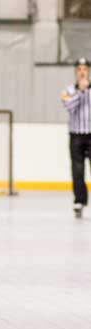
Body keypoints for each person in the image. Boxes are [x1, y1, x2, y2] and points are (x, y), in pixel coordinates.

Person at [61, 57, 91, 218]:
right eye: (79, 69)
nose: (82, 72)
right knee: (77, 171)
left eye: (85, 69)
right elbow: (70, 107)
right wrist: (80, 91)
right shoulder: (68, 90)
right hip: (76, 136)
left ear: (89, 71)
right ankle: (79, 200)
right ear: (75, 72)